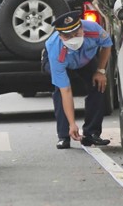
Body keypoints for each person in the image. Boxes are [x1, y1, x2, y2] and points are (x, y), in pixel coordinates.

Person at [44, 10, 112, 149]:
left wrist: (100, 71)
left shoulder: (93, 29)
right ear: (61, 36)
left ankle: (91, 134)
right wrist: (72, 123)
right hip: (64, 61)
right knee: (59, 90)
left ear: (81, 27)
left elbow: (107, 45)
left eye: (76, 33)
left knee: (99, 85)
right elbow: (66, 91)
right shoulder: (55, 50)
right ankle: (64, 135)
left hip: (86, 60)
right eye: (68, 36)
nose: (74, 38)